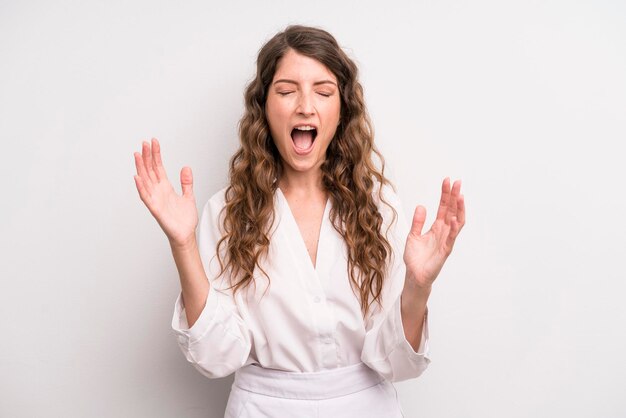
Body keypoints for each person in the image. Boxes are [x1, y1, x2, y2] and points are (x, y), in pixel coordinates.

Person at [133, 25, 465, 418]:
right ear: (264, 107)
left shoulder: (378, 206)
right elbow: (216, 355)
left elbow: (396, 362)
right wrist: (183, 244)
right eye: (287, 91)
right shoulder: (226, 212)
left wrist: (418, 286)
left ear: (342, 109)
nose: (305, 106)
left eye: (323, 92)